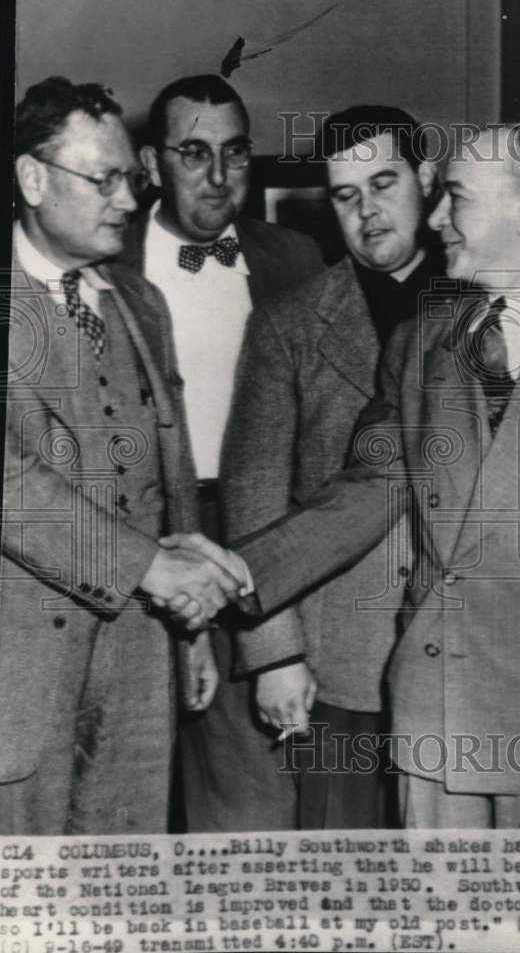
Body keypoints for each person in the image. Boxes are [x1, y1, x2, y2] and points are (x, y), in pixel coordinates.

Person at [174, 121, 520, 827]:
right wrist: (241, 572)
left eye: (455, 197)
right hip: (439, 710)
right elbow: (367, 492)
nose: (434, 218)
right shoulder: (421, 343)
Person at [4, 77, 246, 834]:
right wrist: (149, 568)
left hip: (141, 661)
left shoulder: (142, 302)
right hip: (18, 673)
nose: (128, 199)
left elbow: (172, 476)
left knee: (126, 877)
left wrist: (191, 634)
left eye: (130, 179)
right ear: (33, 178)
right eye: (103, 179)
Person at [221, 105, 442, 829]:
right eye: (346, 195)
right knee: (342, 865)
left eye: (384, 184)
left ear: (427, 178)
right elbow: (254, 496)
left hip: (474, 655)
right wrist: (273, 654)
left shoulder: (491, 299)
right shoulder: (287, 324)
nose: (366, 210)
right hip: (342, 658)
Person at [119, 74, 324, 831]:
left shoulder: (294, 258)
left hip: (252, 535)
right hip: (136, 538)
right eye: (193, 153)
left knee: (249, 799)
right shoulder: (106, 260)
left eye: (234, 154)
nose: (216, 176)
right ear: (152, 163)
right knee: (123, 783)